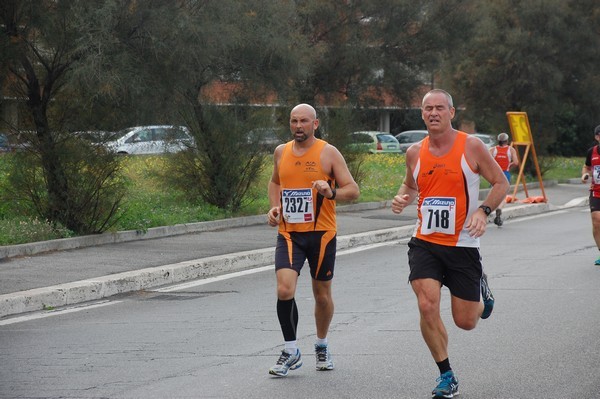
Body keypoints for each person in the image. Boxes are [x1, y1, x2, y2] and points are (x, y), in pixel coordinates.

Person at [391, 89, 509, 398]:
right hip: (425, 241)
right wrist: (404, 196)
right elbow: (410, 182)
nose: (433, 113)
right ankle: (446, 374)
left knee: (466, 321)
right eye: (428, 108)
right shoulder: (415, 152)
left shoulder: (471, 146)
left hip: (463, 244)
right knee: (427, 303)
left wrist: (483, 212)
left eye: (439, 108)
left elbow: (501, 182)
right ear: (422, 114)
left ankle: (482, 291)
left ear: (451, 113)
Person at [266, 103, 360, 377]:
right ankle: (291, 349)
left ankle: (321, 343)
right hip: (290, 233)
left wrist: (330, 191)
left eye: (304, 121)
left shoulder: (327, 152)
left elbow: (353, 190)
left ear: (315, 124)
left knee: (321, 296)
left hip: (322, 234)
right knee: (285, 290)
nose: (298, 126)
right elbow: (275, 183)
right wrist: (274, 208)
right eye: (294, 121)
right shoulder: (280, 152)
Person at [489, 132, 519, 226]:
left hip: (494, 174)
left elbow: (487, 161)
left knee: (493, 193)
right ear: (507, 141)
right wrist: (509, 165)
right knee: (503, 195)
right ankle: (499, 208)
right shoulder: (511, 150)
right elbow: (516, 162)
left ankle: (488, 210)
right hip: (505, 174)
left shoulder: (492, 150)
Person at [581, 124, 600, 266]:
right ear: (596, 137)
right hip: (596, 191)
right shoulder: (591, 152)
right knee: (596, 220)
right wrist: (585, 175)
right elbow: (587, 166)